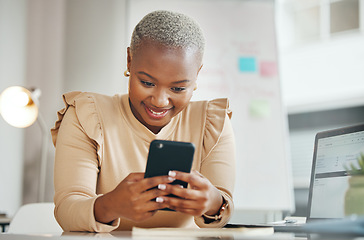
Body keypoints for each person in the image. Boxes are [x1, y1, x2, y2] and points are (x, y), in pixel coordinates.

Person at [51, 10, 236, 232]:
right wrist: (110, 205)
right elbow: (67, 209)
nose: (160, 101)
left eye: (178, 88)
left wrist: (214, 202)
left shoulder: (212, 122)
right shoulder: (86, 115)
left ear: (197, 74)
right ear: (130, 60)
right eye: (147, 83)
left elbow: (223, 208)